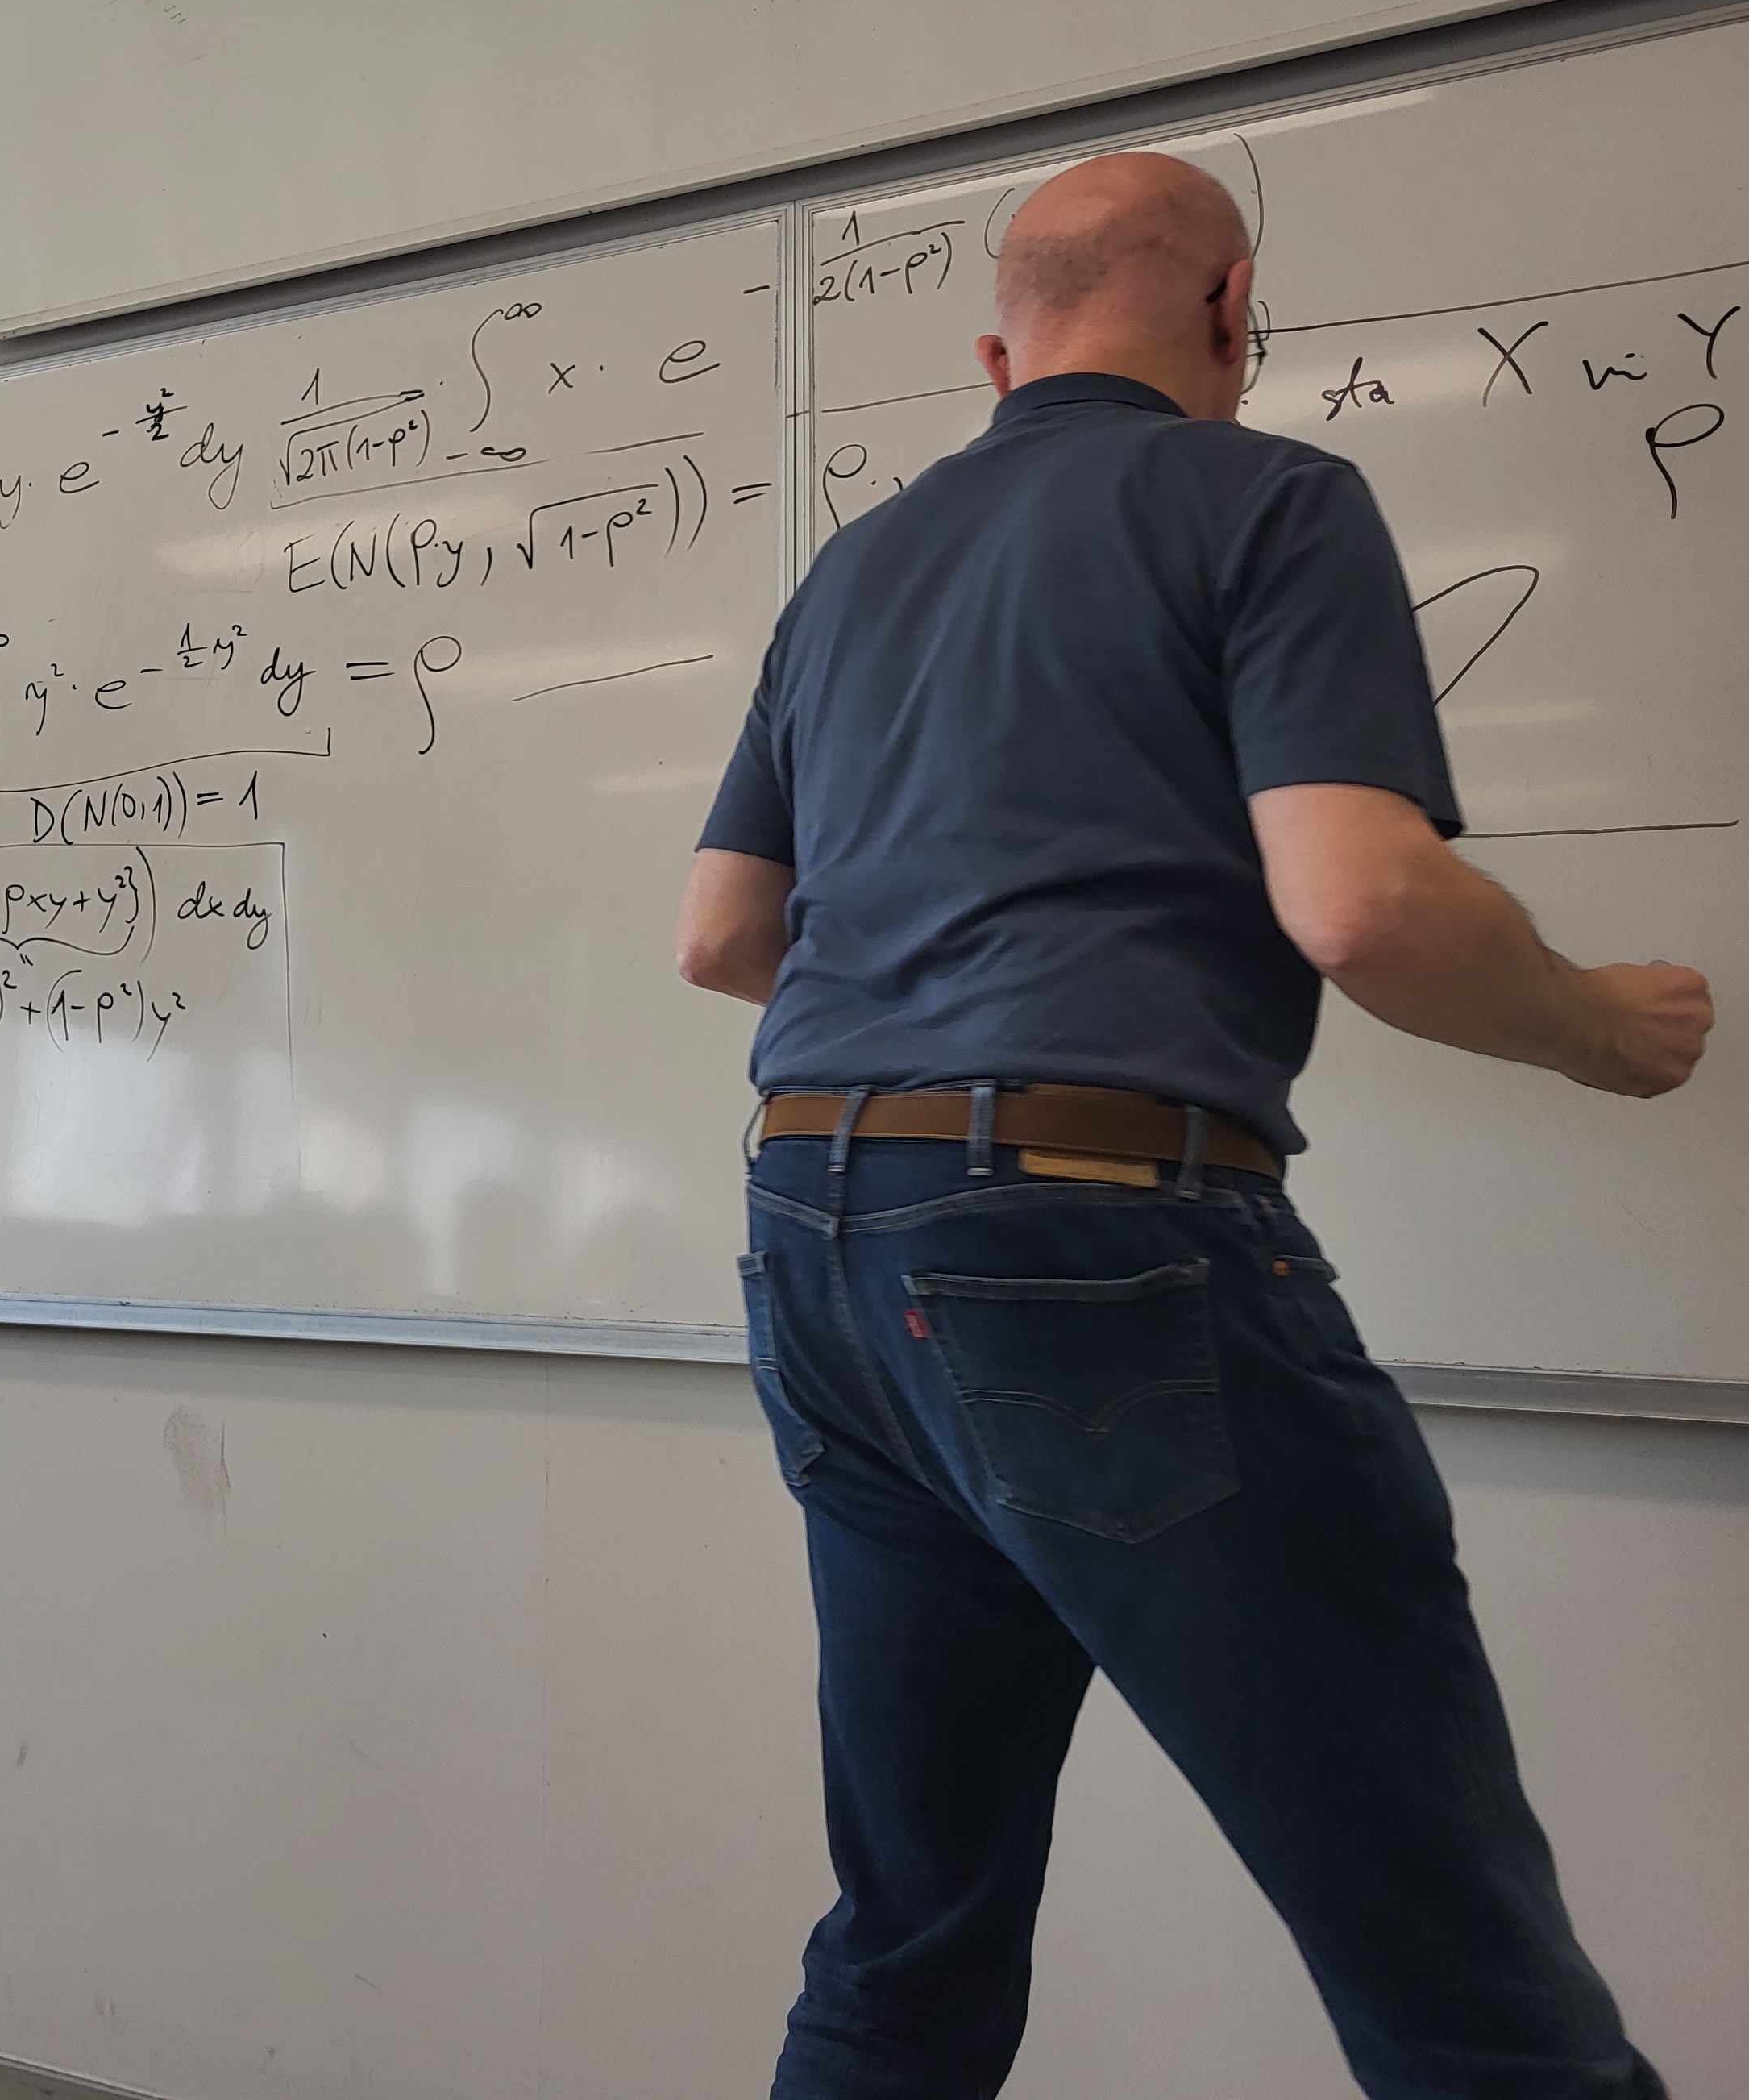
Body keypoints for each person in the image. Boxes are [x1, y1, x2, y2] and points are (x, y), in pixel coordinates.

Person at [673, 150, 1712, 2100]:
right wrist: (1597, 1028)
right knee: (1457, 1984)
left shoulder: (850, 570)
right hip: (1090, 1248)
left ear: (996, 353)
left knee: (902, 1947)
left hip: (814, 1239)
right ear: (1233, 307)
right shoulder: (1263, 498)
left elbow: (722, 936)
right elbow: (1358, 903)